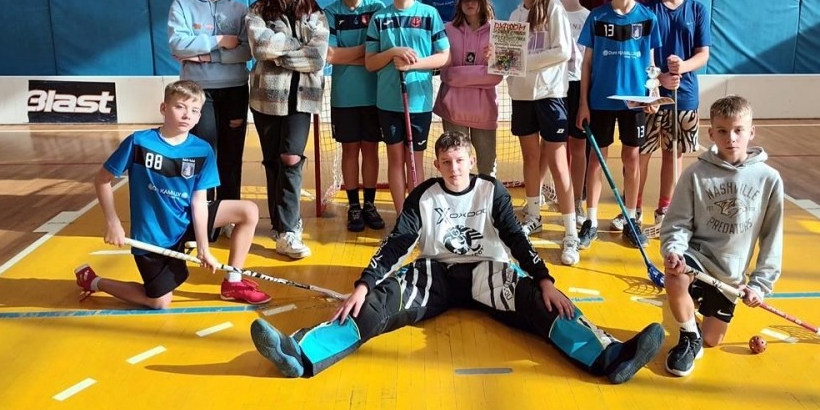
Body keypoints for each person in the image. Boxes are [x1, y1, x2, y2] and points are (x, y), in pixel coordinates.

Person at [249, 131, 664, 383]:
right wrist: (363, 284)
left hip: (487, 271)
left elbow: (515, 238)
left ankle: (611, 357)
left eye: (460, 161)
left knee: (545, 305)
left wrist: (545, 280)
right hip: (436, 273)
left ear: (472, 161)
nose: (454, 168)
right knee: (374, 306)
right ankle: (300, 353)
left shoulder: (491, 191)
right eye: (446, 162)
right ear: (437, 164)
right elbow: (397, 242)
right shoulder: (424, 195)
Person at [75, 80, 271, 308]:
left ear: (199, 117)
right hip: (154, 234)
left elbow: (199, 202)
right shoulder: (139, 142)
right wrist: (113, 222)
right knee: (159, 302)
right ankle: (95, 282)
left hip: (186, 219)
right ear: (164, 108)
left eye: (195, 110)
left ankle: (233, 282)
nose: (187, 115)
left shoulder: (202, 150)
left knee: (248, 211)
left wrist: (203, 248)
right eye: (180, 107)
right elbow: (102, 180)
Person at [660, 95, 784, 377]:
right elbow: (677, 223)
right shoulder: (695, 174)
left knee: (712, 339)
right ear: (711, 134)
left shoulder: (769, 179)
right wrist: (674, 250)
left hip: (730, 275)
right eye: (723, 131)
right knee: (675, 276)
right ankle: (688, 335)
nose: (731, 138)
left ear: (751, 132)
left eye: (739, 130)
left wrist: (760, 285)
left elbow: (772, 237)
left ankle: (691, 318)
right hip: (697, 258)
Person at [576, 0, 662, 250]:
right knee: (596, 160)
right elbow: (586, 64)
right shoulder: (597, 17)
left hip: (634, 103)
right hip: (600, 100)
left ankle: (631, 219)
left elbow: (651, 64)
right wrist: (583, 103)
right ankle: (590, 220)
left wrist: (653, 92)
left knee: (631, 159)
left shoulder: (648, 18)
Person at [247, 0, 328, 259]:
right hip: (266, 97)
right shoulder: (258, 10)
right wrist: (296, 46)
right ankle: (280, 224)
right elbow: (260, 47)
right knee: (272, 162)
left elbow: (317, 57)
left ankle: (289, 230)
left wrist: (279, 54)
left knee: (291, 158)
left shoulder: (315, 11)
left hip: (302, 97)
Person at [167, 0, 251, 234]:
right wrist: (219, 41)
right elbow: (178, 45)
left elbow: (246, 51)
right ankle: (205, 216)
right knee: (204, 154)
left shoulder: (239, 10)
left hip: (235, 90)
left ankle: (229, 214)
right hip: (198, 92)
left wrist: (203, 56)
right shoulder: (182, 5)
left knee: (231, 155)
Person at [506, 0, 579, 266]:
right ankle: (533, 215)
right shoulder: (515, 14)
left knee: (559, 164)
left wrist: (521, 60)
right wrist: (498, 56)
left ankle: (571, 232)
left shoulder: (553, 8)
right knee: (530, 158)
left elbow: (563, 51)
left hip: (551, 96)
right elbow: (508, 58)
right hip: (522, 96)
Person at [365, 0, 450, 214]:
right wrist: (393, 52)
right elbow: (370, 62)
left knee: (415, 160)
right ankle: (403, 216)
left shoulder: (429, 14)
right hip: (388, 102)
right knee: (395, 159)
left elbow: (444, 56)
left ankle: (417, 216)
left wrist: (414, 65)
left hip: (419, 102)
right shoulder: (380, 18)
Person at [642, 0, 711, 228]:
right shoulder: (647, 10)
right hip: (651, 94)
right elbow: (641, 53)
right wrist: (658, 78)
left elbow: (702, 54)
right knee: (642, 152)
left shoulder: (697, 10)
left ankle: (665, 210)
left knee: (674, 153)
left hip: (685, 95)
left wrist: (681, 67)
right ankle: (633, 210)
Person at [324, 0, 387, 233]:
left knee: (371, 149)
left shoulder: (377, 9)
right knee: (350, 150)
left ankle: (370, 204)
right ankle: (353, 206)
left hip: (375, 94)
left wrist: (348, 55)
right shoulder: (330, 12)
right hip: (344, 96)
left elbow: (381, 50)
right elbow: (330, 55)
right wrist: (367, 53)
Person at [432, 0, 502, 177]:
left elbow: (496, 77)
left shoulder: (498, 32)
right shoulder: (447, 30)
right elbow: (446, 73)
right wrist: (482, 71)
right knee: (456, 168)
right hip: (453, 111)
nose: (469, 3)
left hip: (485, 112)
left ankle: (488, 199)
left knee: (487, 169)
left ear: (483, 1)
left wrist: (458, 74)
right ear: (459, 3)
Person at [555, 0, 591, 227]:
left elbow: (591, 61)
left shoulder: (590, 17)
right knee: (550, 146)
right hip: (553, 86)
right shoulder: (549, 13)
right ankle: (540, 196)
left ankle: (577, 200)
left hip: (579, 85)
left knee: (578, 147)